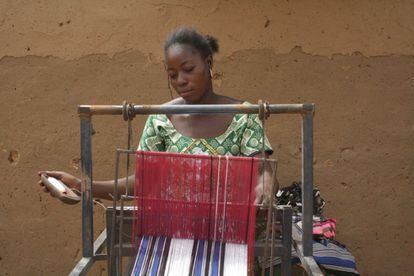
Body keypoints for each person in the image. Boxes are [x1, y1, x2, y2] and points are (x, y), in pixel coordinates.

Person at [38, 26, 277, 204]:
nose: (180, 81)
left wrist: (265, 184)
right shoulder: (161, 119)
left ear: (208, 63)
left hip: (230, 242)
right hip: (173, 239)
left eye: (188, 69)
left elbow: (264, 171)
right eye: (172, 75)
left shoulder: (243, 116)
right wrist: (83, 186)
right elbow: (143, 182)